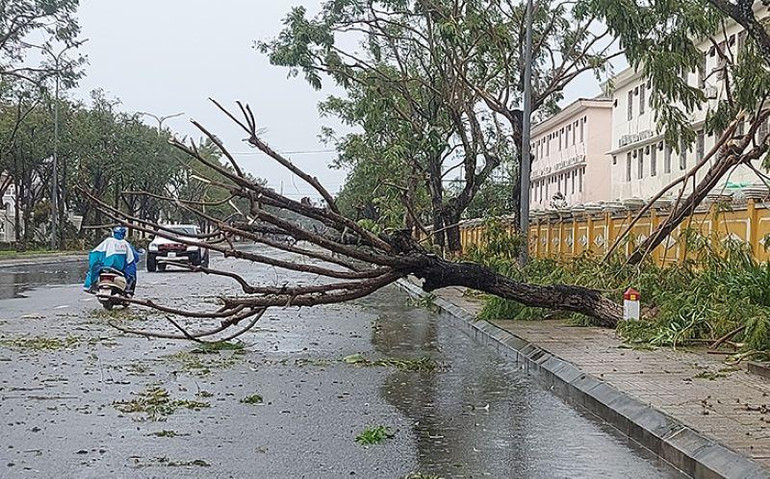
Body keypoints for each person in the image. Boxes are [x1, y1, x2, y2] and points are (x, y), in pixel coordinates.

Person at [83, 226, 139, 296]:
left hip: (106, 267)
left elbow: (95, 254)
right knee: (131, 276)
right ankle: (128, 291)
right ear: (124, 234)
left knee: (94, 268)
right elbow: (134, 259)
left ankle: (92, 285)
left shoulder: (108, 241)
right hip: (120, 269)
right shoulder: (126, 244)